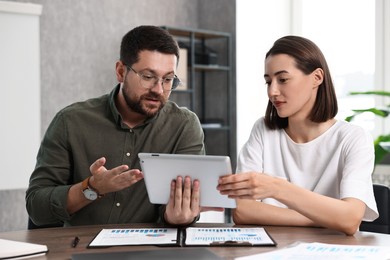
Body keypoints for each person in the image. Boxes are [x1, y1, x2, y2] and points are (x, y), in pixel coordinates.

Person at [26, 25, 213, 227]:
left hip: (151, 250)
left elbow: (182, 203)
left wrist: (178, 216)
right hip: (79, 250)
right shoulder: (70, 122)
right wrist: (91, 188)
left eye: (168, 79)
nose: (158, 90)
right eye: (148, 77)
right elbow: (37, 208)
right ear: (121, 71)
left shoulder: (184, 126)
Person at [217, 35, 378, 236]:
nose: (272, 91)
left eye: (283, 79)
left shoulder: (353, 138)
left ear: (317, 78)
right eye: (268, 82)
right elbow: (242, 211)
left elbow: (350, 218)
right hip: (270, 251)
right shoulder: (263, 130)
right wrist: (325, 219)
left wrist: (277, 188)